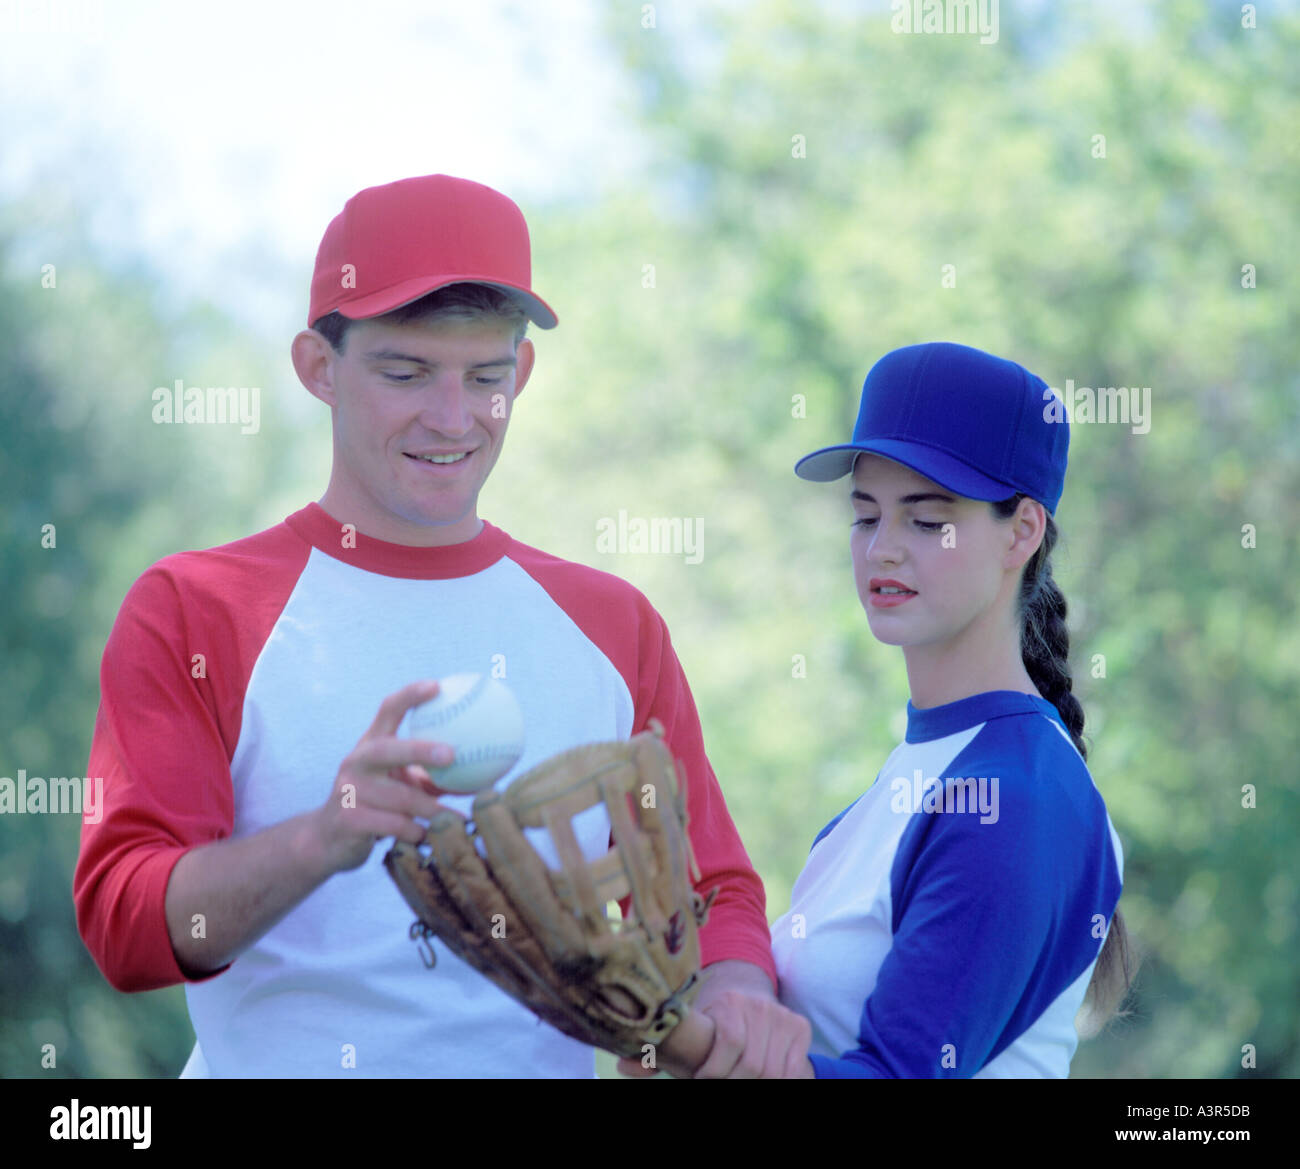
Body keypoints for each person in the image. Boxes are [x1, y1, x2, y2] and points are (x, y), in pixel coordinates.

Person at [73, 174, 809, 1078]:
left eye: (486, 376)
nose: (453, 418)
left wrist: (736, 991)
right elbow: (125, 925)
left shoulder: (614, 624)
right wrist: (324, 835)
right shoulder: (197, 605)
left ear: (523, 373)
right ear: (318, 367)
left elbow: (716, 889)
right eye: (406, 371)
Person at [732, 341, 1130, 1077]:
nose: (882, 549)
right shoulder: (905, 780)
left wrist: (701, 1054)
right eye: (865, 516)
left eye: (926, 520)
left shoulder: (1017, 797)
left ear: (1022, 530)